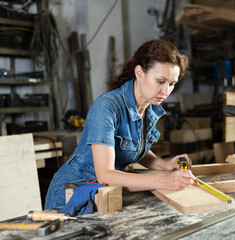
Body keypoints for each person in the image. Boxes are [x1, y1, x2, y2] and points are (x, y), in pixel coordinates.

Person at [45, 39, 194, 210]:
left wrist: (164, 165)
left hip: (105, 194)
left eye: (172, 84)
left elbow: (132, 148)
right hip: (73, 194)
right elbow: (105, 175)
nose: (166, 91)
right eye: (161, 81)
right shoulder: (106, 107)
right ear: (139, 73)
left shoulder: (149, 108)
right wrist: (164, 181)